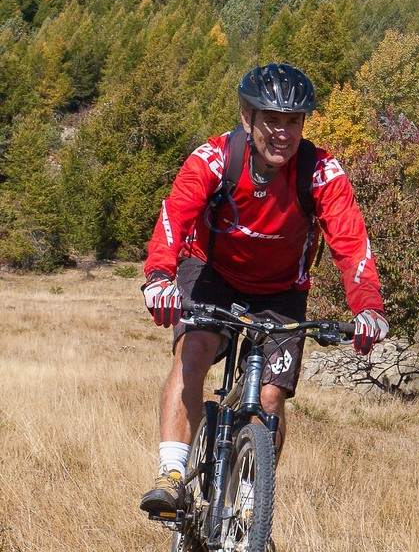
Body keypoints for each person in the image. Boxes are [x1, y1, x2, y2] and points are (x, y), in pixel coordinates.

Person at [139, 62, 387, 517]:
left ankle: (251, 507)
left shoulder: (320, 173)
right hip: (211, 274)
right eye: (272, 119)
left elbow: (351, 244)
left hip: (281, 290)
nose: (283, 132)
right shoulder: (214, 159)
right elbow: (175, 215)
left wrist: (368, 306)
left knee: (271, 395)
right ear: (246, 118)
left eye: (293, 121)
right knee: (193, 352)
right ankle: (172, 475)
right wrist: (159, 276)